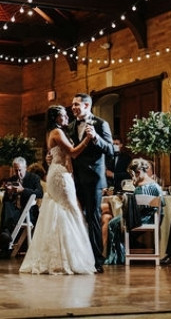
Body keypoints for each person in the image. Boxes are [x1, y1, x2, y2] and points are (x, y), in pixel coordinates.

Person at [19, 105, 97, 275]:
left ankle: (62, 255)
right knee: (68, 209)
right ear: (56, 118)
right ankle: (63, 259)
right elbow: (73, 152)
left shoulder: (57, 132)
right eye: (63, 115)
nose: (67, 117)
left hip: (61, 172)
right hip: (59, 175)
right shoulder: (56, 132)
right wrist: (88, 139)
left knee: (65, 210)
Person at [67, 93, 113, 271]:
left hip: (93, 178)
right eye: (72, 105)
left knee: (93, 216)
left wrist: (95, 138)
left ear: (87, 106)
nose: (73, 108)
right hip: (75, 178)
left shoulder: (101, 124)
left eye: (77, 104)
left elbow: (110, 149)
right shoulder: (71, 126)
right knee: (77, 217)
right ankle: (80, 257)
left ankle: (97, 260)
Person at [104, 158, 163, 263]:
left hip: (139, 220)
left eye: (132, 175)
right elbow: (162, 203)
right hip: (154, 218)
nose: (132, 178)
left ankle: (117, 257)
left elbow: (135, 209)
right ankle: (131, 248)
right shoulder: (155, 185)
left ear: (138, 173)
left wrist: (125, 199)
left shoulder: (140, 187)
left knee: (113, 224)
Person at [0, 156, 43, 259]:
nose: (18, 173)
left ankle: (5, 240)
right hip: (15, 211)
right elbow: (6, 199)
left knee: (8, 216)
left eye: (20, 170)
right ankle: (6, 235)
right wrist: (9, 193)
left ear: (25, 168)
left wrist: (23, 190)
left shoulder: (34, 178)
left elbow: (40, 193)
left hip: (28, 212)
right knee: (6, 205)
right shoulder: (12, 179)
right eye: (16, 170)